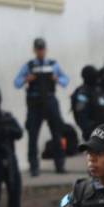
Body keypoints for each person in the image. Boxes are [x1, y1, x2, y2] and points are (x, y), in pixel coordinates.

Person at [13, 37, 69, 176]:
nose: (40, 52)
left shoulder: (53, 64)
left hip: (50, 101)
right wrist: (27, 79)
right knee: (33, 135)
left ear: (46, 49)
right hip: (35, 103)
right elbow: (17, 82)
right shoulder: (29, 66)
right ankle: (34, 166)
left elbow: (65, 80)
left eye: (42, 49)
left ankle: (60, 164)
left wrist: (57, 79)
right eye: (38, 49)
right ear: (34, 50)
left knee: (57, 133)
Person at [71, 65, 104, 141]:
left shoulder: (98, 90)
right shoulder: (82, 94)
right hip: (93, 134)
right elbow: (81, 116)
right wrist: (91, 131)